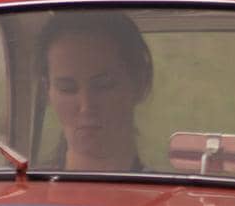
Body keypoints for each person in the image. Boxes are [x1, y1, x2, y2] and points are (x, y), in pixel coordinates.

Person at [40, 10, 153, 171]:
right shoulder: (11, 189)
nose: (86, 106)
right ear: (47, 92)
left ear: (140, 83)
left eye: (103, 85)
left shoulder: (171, 193)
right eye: (67, 89)